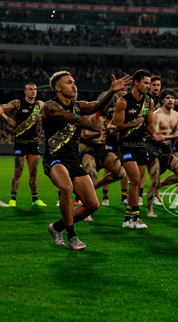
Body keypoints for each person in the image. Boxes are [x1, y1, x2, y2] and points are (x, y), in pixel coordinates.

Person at [43, 70, 131, 250]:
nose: (74, 85)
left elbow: (97, 105)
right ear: (58, 87)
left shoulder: (78, 105)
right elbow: (71, 118)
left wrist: (112, 91)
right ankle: (72, 236)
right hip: (54, 158)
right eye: (69, 82)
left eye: (74, 81)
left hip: (72, 159)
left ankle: (56, 227)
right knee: (66, 188)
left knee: (92, 205)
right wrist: (95, 127)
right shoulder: (50, 106)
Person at [115, 70, 162, 229]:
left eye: (149, 83)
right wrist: (133, 124)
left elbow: (149, 124)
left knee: (137, 182)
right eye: (146, 83)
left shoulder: (149, 102)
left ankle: (127, 219)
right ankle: (136, 218)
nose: (148, 86)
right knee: (134, 178)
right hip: (126, 144)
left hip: (141, 144)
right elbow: (118, 126)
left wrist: (154, 133)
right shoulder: (123, 101)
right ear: (136, 82)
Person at [78, 99, 126, 217]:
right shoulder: (93, 115)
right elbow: (84, 135)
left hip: (102, 149)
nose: (112, 111)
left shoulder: (113, 116)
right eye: (110, 108)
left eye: (114, 108)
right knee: (91, 177)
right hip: (88, 149)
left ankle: (97, 186)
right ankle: (86, 211)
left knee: (121, 173)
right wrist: (101, 130)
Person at [146, 88, 178, 218]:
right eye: (167, 98)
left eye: (172, 98)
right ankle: (149, 211)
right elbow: (155, 136)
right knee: (153, 180)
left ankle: (159, 186)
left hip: (167, 150)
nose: (170, 100)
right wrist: (173, 136)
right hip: (154, 149)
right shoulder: (156, 115)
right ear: (162, 100)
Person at [2, 82, 47, 207]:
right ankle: (13, 199)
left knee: (34, 172)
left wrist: (41, 117)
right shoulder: (18, 104)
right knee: (18, 171)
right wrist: (8, 120)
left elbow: (49, 112)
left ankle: (35, 199)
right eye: (30, 89)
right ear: (25, 92)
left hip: (33, 143)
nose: (33, 92)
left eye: (35, 90)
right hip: (20, 143)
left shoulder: (40, 104)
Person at [101, 88, 127, 206]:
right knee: (108, 168)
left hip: (121, 143)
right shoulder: (104, 111)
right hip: (109, 143)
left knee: (125, 169)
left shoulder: (122, 108)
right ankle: (105, 197)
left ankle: (124, 196)